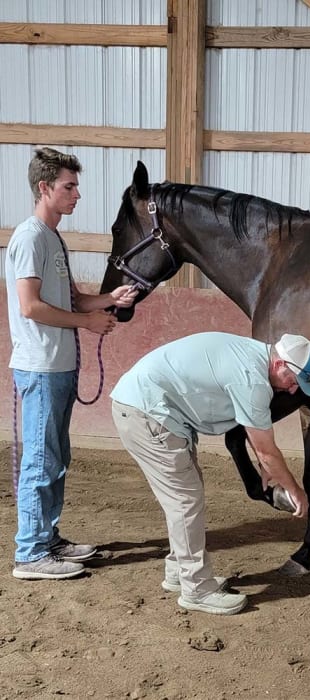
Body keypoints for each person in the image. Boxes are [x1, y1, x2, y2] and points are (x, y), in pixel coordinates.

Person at [110, 331, 310, 615]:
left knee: (185, 496)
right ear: (280, 365)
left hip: (152, 409)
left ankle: (179, 571)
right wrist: (296, 492)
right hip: (148, 413)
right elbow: (267, 451)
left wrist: (264, 465)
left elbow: (256, 439)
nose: (293, 390)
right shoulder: (252, 378)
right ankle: (197, 589)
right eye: (293, 382)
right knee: (184, 501)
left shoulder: (252, 356)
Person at [6, 147, 138, 581]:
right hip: (41, 366)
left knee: (56, 457)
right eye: (69, 186)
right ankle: (29, 553)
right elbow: (30, 307)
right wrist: (86, 322)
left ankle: (47, 538)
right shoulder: (29, 238)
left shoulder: (52, 239)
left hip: (57, 366)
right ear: (44, 188)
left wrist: (109, 300)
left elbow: (73, 299)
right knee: (41, 460)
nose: (77, 194)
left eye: (76, 186)